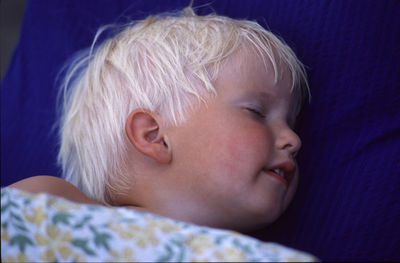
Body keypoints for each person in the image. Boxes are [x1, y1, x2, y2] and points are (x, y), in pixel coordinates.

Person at [8, 6, 309, 232]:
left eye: (291, 123)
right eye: (256, 112)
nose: (293, 140)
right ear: (154, 136)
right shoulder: (53, 207)